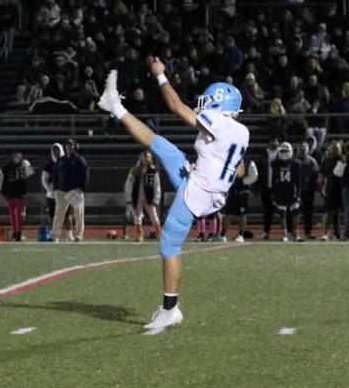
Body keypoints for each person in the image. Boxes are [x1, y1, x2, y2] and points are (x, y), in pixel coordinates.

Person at [98, 58, 250, 331]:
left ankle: (170, 310)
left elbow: (176, 107)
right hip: (208, 186)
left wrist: (160, 75)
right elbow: (239, 171)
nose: (203, 106)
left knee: (169, 246)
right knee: (161, 145)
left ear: (219, 105)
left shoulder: (222, 123)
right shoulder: (241, 132)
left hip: (198, 191)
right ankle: (116, 107)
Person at [50, 139, 89, 242]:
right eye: (67, 145)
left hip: (75, 190)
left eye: (71, 145)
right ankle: (54, 236)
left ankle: (79, 236)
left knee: (79, 214)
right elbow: (55, 174)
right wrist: (55, 188)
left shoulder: (80, 159)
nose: (69, 147)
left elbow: (85, 175)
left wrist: (81, 189)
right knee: (59, 214)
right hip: (61, 190)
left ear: (75, 146)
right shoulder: (61, 160)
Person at [0, 151, 35, 242]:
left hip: (19, 195)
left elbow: (31, 173)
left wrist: (28, 165)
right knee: (13, 216)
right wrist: (4, 192)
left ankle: (18, 233)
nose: (16, 158)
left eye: (18, 157)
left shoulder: (23, 167)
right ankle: (15, 232)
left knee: (18, 215)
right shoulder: (7, 168)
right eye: (14, 157)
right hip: (10, 194)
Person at [124, 150, 162, 242]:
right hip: (136, 196)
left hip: (149, 197)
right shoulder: (135, 170)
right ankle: (140, 233)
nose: (147, 159)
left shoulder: (153, 171)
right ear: (141, 158)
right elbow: (128, 185)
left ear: (151, 159)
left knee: (154, 215)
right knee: (137, 216)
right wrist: (128, 197)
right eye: (145, 157)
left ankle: (158, 232)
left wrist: (156, 198)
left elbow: (157, 185)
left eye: (148, 157)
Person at [220, 158, 258, 242]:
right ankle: (222, 234)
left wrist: (242, 181)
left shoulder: (249, 162)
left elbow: (254, 175)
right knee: (228, 213)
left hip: (243, 192)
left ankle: (241, 235)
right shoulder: (229, 161)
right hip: (232, 190)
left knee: (242, 214)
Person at [271, 142, 302, 242]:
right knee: (282, 213)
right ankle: (284, 234)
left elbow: (298, 181)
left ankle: (296, 234)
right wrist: (273, 192)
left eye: (286, 151)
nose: (284, 153)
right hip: (280, 190)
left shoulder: (296, 163)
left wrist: (298, 195)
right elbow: (274, 179)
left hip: (292, 190)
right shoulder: (275, 163)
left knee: (295, 212)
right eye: (282, 151)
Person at [320, 141, 343, 241]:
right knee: (329, 213)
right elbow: (322, 175)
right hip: (331, 189)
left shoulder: (344, 159)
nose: (336, 150)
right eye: (334, 148)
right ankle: (325, 234)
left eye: (337, 148)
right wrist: (322, 187)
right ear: (330, 149)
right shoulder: (326, 160)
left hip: (343, 189)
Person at [258, 137, 280, 240]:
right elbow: (259, 171)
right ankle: (266, 231)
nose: (274, 142)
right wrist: (257, 186)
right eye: (272, 140)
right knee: (267, 211)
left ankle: (286, 232)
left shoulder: (282, 153)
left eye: (275, 140)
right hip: (266, 187)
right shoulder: (263, 154)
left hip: (279, 187)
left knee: (283, 211)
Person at [297, 140, 319, 239]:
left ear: (308, 148)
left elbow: (316, 175)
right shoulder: (294, 160)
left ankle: (308, 232)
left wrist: (315, 187)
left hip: (308, 190)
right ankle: (293, 232)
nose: (302, 148)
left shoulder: (312, 161)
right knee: (294, 212)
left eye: (304, 146)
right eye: (301, 146)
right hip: (296, 190)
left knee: (308, 212)